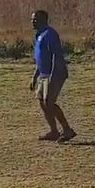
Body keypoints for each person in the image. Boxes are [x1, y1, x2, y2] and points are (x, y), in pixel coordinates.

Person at [30, 10, 76, 142]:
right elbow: (41, 58)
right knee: (42, 102)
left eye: (35, 19)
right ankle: (54, 131)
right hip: (44, 74)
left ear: (43, 20)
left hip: (55, 73)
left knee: (49, 102)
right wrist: (35, 76)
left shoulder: (50, 34)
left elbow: (56, 56)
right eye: (32, 19)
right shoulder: (39, 35)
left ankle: (67, 130)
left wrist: (52, 76)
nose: (32, 22)